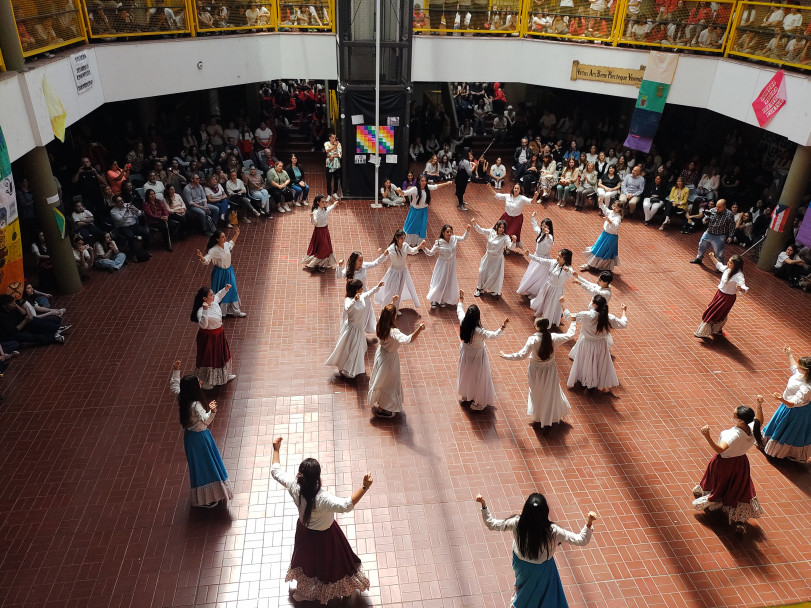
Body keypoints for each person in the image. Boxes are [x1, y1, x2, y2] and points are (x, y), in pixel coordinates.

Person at [270, 436, 372, 602]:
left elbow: (275, 472)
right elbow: (346, 505)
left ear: (300, 474)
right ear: (317, 478)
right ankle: (332, 590)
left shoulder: (294, 486)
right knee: (330, 564)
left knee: (307, 563)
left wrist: (276, 449)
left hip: (304, 533)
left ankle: (305, 592)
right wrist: (364, 487)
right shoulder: (323, 498)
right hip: (326, 536)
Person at [475, 493, 597, 607]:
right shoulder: (553, 531)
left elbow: (492, 524)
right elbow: (581, 540)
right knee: (543, 593)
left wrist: (484, 506)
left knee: (523, 589)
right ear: (545, 511)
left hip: (521, 565)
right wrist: (588, 523)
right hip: (543, 567)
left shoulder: (517, 523)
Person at [693, 399, 764, 535]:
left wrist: (707, 436)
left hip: (724, 463)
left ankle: (715, 498)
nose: (732, 416)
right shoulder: (753, 426)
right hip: (741, 463)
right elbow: (759, 419)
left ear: (742, 420)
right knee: (739, 487)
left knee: (720, 483)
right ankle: (738, 517)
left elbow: (720, 449)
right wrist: (759, 406)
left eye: (734, 415)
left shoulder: (734, 435)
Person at [170, 360, 234, 508]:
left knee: (199, 467)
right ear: (193, 388)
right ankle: (210, 496)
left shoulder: (183, 398)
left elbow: (174, 386)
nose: (200, 381)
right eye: (197, 381)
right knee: (208, 465)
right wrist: (213, 411)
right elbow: (206, 421)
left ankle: (205, 496)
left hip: (191, 438)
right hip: (201, 438)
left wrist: (176, 371)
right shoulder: (196, 405)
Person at [500, 303, 577, 427]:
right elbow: (570, 335)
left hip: (536, 369)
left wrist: (506, 356)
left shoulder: (533, 340)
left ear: (537, 327)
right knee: (550, 391)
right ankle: (550, 415)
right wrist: (573, 322)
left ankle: (539, 415)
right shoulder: (553, 338)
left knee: (536, 391)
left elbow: (522, 355)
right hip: (550, 368)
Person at [367, 298, 426, 418]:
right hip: (390, 359)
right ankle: (383, 408)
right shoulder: (394, 332)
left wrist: (392, 303)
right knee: (390, 383)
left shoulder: (381, 324)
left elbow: (385, 312)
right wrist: (419, 329)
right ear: (393, 317)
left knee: (381, 380)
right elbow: (408, 339)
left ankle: (381, 404)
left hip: (381, 354)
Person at [456, 291, 507, 411]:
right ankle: (479, 402)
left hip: (465, 352)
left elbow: (459, 311)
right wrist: (503, 326)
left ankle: (467, 394)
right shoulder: (479, 331)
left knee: (466, 373)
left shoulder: (463, 321)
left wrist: (461, 299)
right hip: (477, 355)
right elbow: (494, 335)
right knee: (479, 377)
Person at [567, 295, 628, 393]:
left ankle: (586, 379)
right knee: (598, 362)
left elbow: (570, 316)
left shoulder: (586, 315)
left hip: (586, 343)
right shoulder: (609, 317)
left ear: (594, 304)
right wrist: (624, 311)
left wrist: (563, 306)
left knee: (585, 360)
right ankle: (596, 380)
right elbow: (623, 324)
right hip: (601, 345)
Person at [324, 279, 384, 378]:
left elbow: (369, 293)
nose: (362, 289)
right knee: (350, 350)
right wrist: (354, 301)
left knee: (358, 349)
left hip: (359, 329)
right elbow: (348, 308)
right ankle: (347, 370)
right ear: (357, 290)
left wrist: (378, 286)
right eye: (361, 288)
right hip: (352, 329)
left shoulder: (361, 296)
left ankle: (353, 368)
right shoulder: (348, 300)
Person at [762, 346, 811, 461]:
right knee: (781, 427)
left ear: (807, 371)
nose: (798, 367)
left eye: (801, 367)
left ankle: (786, 452)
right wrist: (789, 354)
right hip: (787, 407)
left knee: (790, 431)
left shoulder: (807, 387)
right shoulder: (800, 375)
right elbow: (794, 367)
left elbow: (794, 403)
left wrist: (781, 399)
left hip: (796, 412)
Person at [190, 285, 237, 390]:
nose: (213, 296)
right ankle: (204, 381)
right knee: (207, 358)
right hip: (208, 338)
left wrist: (226, 289)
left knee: (222, 354)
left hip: (218, 334)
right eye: (211, 295)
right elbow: (203, 325)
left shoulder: (214, 301)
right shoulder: (201, 311)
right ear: (204, 299)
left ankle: (225, 375)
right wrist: (206, 310)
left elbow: (219, 295)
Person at [195, 229, 247, 318]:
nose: (225, 238)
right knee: (219, 291)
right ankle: (218, 312)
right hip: (219, 273)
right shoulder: (213, 250)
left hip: (229, 271)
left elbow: (231, 243)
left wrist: (236, 234)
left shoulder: (226, 245)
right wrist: (201, 257)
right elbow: (207, 260)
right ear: (217, 239)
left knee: (233, 290)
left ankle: (235, 311)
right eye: (222, 237)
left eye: (224, 236)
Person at [694, 252, 747, 339]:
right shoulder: (727, 269)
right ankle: (716, 329)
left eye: (730, 262)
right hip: (719, 294)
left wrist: (740, 288)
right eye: (729, 261)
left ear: (736, 265)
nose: (728, 263)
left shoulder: (739, 275)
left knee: (714, 312)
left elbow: (743, 287)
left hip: (727, 298)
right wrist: (712, 257)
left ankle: (704, 331)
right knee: (716, 311)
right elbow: (719, 266)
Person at [337, 250, 389, 334]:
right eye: (359, 260)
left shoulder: (364, 266)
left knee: (366, 310)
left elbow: (375, 263)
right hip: (353, 295)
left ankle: (363, 328)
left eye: (362, 260)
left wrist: (384, 255)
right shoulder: (349, 269)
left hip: (363, 291)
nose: (361, 262)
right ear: (354, 261)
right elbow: (339, 276)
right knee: (353, 311)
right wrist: (339, 266)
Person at [374, 229, 424, 314]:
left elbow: (412, 251)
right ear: (396, 238)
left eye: (404, 238)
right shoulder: (391, 248)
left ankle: (395, 309)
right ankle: (385, 307)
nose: (403, 240)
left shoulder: (405, 245)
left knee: (398, 291)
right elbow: (383, 259)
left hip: (402, 271)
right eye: (401, 238)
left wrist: (420, 246)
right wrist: (381, 253)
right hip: (394, 272)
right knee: (391, 290)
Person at [424, 224, 470, 309]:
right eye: (447, 232)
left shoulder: (454, 239)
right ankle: (434, 299)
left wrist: (467, 230)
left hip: (452, 264)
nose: (449, 233)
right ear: (443, 232)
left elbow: (463, 238)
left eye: (450, 232)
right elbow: (430, 253)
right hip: (442, 265)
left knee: (448, 281)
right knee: (440, 282)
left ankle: (443, 299)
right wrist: (424, 248)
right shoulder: (438, 242)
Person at [472, 218, 518, 298]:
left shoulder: (505, 237)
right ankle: (479, 288)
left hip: (497, 259)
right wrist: (475, 224)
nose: (501, 229)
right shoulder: (491, 232)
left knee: (494, 275)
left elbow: (510, 247)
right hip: (488, 256)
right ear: (496, 226)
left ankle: (494, 289)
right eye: (500, 227)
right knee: (482, 271)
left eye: (503, 228)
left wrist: (514, 241)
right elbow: (481, 230)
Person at [528, 249, 574, 327]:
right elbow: (541, 260)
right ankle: (544, 314)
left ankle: (547, 320)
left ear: (565, 258)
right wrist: (530, 255)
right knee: (545, 301)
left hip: (557, 290)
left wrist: (568, 270)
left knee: (552, 304)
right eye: (558, 255)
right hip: (548, 286)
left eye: (560, 256)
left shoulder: (568, 268)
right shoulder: (553, 262)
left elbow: (572, 274)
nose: (557, 257)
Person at [0, 295, 65, 347]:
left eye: (14, 302)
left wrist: (16, 305)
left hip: (21, 326)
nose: (14, 304)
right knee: (32, 337)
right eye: (11, 303)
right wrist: (25, 321)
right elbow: (14, 331)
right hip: (13, 334)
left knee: (34, 320)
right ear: (4, 305)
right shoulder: (2, 317)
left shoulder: (13, 308)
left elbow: (24, 314)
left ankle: (56, 328)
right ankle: (54, 338)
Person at [517, 215, 554, 298]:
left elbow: (550, 241)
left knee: (538, 276)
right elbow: (535, 227)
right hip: (535, 256)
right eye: (543, 225)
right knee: (531, 273)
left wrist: (547, 235)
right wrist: (533, 217)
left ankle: (535, 292)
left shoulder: (550, 237)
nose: (543, 227)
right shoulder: (541, 232)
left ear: (549, 228)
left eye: (546, 226)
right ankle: (529, 290)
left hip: (543, 259)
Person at [402, 175, 445, 246]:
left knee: (421, 227)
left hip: (424, 211)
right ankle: (408, 243)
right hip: (415, 211)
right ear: (419, 181)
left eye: (425, 181)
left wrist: (447, 183)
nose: (424, 182)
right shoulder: (414, 189)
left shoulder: (427, 188)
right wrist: (400, 191)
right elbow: (405, 193)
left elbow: (436, 186)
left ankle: (418, 244)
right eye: (422, 181)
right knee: (411, 227)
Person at [690, 199, 735, 264]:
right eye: (717, 206)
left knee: (718, 253)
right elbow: (705, 220)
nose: (717, 208)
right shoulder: (712, 210)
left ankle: (720, 266)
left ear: (724, 207)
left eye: (719, 207)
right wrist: (705, 220)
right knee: (701, 246)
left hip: (720, 235)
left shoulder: (729, 214)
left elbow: (732, 226)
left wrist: (731, 236)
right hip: (709, 232)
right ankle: (699, 258)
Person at [581, 201, 622, 271]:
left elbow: (615, 227)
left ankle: (602, 267)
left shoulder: (618, 217)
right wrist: (601, 203)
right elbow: (605, 210)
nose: (615, 208)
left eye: (617, 207)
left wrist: (609, 221)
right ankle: (590, 264)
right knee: (596, 248)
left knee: (605, 252)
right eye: (614, 206)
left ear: (620, 209)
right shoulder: (611, 212)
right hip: (604, 234)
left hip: (611, 237)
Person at [302, 195, 339, 272]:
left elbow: (329, 209)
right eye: (322, 202)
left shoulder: (324, 210)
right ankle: (319, 264)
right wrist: (312, 218)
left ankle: (321, 265)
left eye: (325, 201)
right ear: (318, 202)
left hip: (325, 230)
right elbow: (315, 223)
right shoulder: (316, 212)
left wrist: (334, 205)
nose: (324, 203)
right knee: (324, 248)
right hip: (319, 232)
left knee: (323, 248)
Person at [496, 184, 536, 248]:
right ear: (513, 188)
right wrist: (489, 187)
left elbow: (531, 202)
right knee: (501, 229)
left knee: (511, 233)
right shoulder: (508, 196)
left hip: (516, 219)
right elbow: (497, 195)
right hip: (506, 217)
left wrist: (535, 196)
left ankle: (508, 247)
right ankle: (499, 244)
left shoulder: (522, 198)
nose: (516, 190)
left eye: (518, 189)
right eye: (515, 188)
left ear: (520, 190)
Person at [324, 132, 342, 199]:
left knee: (336, 180)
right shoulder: (326, 143)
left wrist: (333, 156)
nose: (334, 139)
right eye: (333, 138)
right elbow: (327, 151)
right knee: (329, 180)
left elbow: (340, 154)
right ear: (330, 138)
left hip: (337, 165)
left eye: (335, 138)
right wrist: (334, 147)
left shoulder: (339, 144)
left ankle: (335, 193)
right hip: (329, 164)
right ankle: (329, 194)